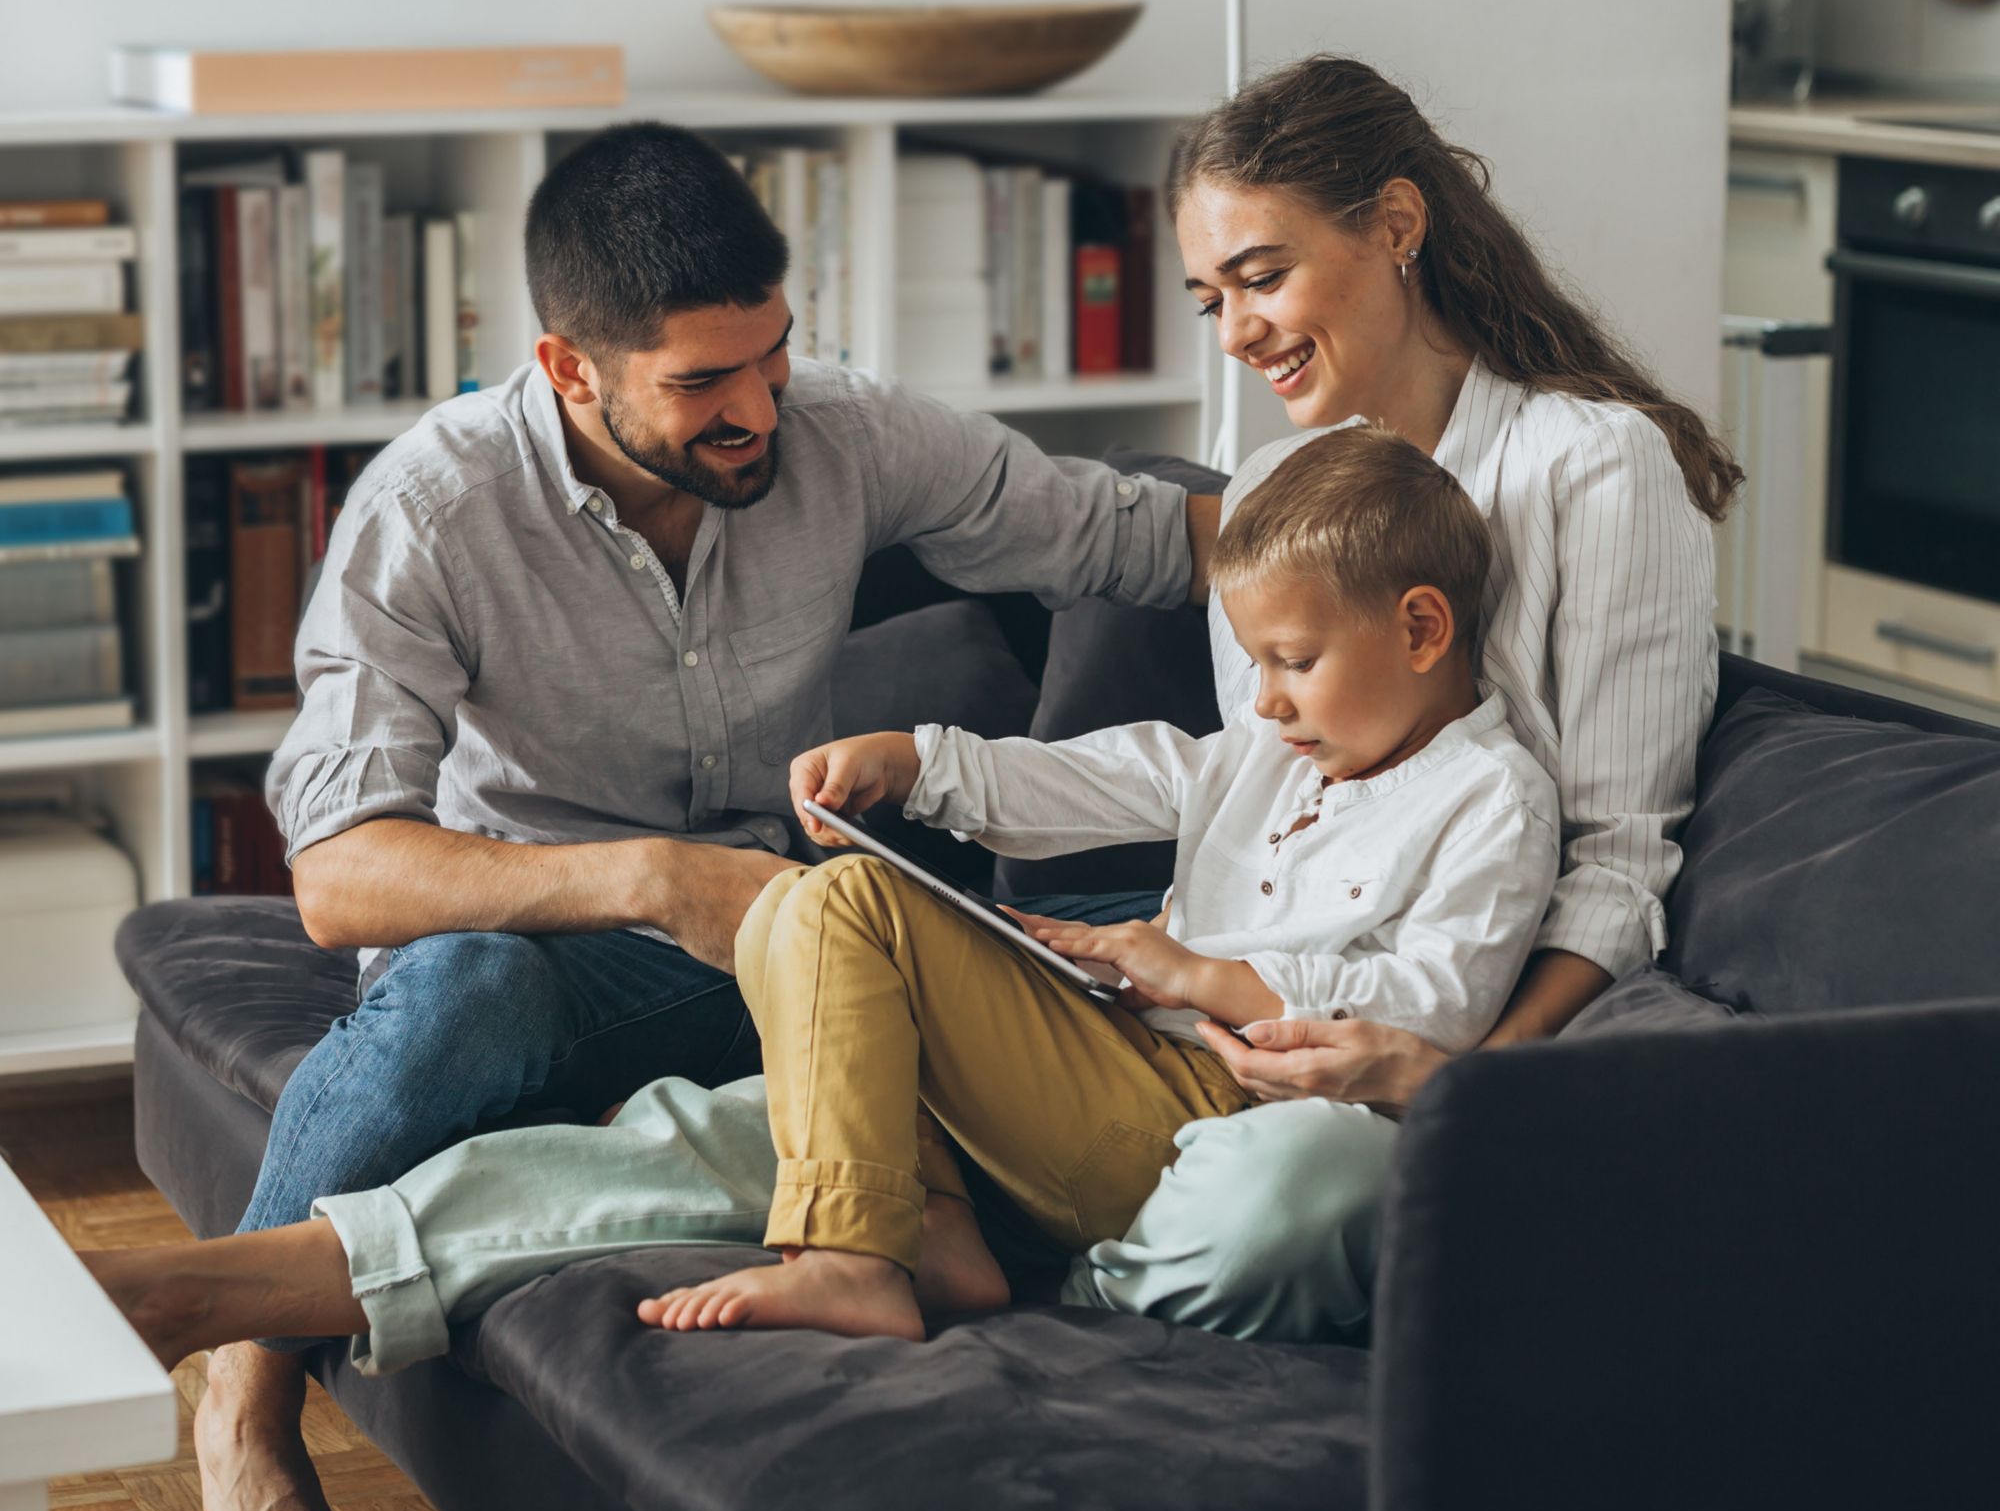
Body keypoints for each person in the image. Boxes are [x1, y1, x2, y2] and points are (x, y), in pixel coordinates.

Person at [191, 119, 1220, 1511]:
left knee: (986, 983)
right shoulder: (432, 510)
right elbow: (337, 879)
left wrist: (1410, 541)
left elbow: (1134, 533)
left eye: (774, 355)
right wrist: (657, 877)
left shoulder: (844, 432)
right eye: (700, 383)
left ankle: (863, 1204)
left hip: (780, 941)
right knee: (471, 980)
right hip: (537, 949)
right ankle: (241, 1401)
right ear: (568, 366)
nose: (760, 411)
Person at [86, 426, 1559, 1358]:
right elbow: (1116, 775)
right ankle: (227, 1288)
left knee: (828, 914)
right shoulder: (1270, 749)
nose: (1274, 701)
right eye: (1262, 669)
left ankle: (863, 1252)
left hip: (1223, 1109)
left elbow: (1429, 1010)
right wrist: (918, 761)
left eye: (1293, 663)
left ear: (1423, 626)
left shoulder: (1491, 796)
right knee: (705, 1121)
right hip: (1093, 1078)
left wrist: (1204, 975)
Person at [1058, 52, 1735, 1339]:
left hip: (1410, 1046)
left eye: (1262, 276)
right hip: (1240, 1009)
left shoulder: (1592, 468)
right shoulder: (1268, 489)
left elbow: (1614, 865)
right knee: (855, 988)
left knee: (1281, 1200)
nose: (1237, 330)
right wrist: (1192, 988)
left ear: (1397, 226)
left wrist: (1450, 1082)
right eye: (1211, 298)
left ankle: (1067, 1266)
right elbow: (1260, 785)